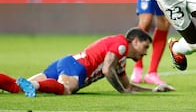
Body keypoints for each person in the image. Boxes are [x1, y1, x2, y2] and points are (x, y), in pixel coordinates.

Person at [0, 27, 174, 97]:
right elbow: (107, 70)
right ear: (135, 41)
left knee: (17, 89)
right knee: (68, 89)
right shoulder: (120, 45)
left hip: (68, 62)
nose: (145, 53)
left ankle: (25, 84)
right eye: (145, 47)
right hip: (76, 67)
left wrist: (154, 90)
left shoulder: (120, 60)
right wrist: (123, 93)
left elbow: (128, 87)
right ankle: (34, 86)